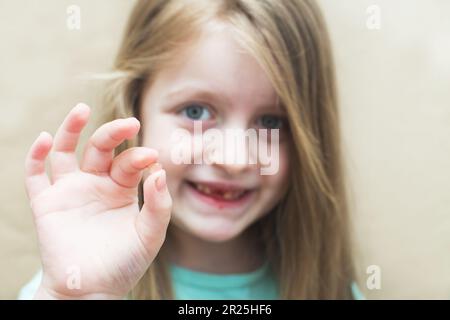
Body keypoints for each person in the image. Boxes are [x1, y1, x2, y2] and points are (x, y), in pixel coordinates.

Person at [19, 0, 363, 299]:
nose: (233, 159)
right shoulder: (75, 282)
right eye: (196, 112)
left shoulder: (332, 292)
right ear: (135, 107)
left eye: (271, 123)